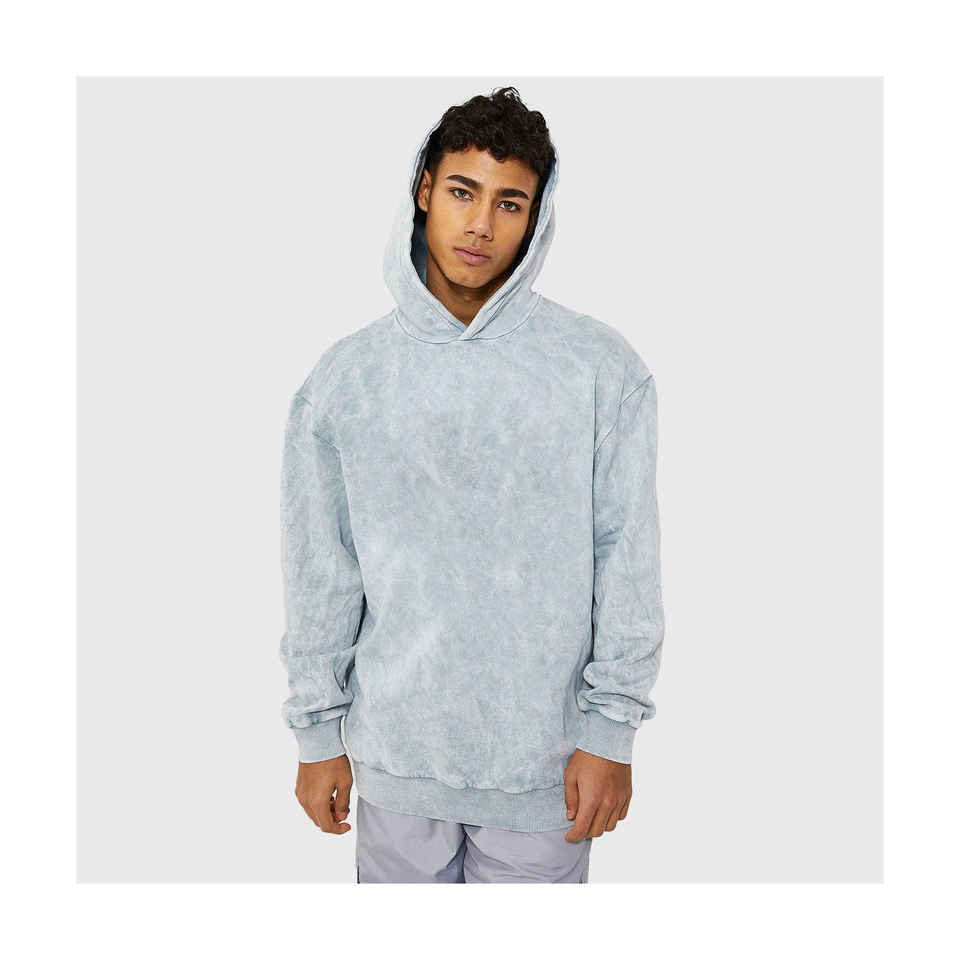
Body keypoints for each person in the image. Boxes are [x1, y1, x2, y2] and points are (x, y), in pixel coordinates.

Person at [278, 87, 665, 883]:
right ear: (424, 190)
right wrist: (317, 735)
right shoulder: (346, 380)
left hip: (547, 768)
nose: (482, 224)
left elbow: (626, 557)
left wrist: (612, 732)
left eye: (509, 203)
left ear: (536, 217)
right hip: (395, 761)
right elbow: (322, 571)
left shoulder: (598, 370)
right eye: (463, 191)